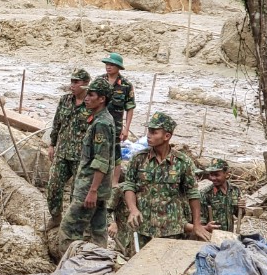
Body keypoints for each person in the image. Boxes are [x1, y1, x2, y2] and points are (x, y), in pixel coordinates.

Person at [121, 112, 208, 247]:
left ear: (167, 136)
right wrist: (133, 209)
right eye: (149, 131)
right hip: (143, 227)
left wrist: (197, 225)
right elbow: (129, 186)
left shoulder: (182, 162)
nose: (149, 135)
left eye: (154, 132)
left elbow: (193, 193)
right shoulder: (138, 159)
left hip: (171, 229)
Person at [60, 77, 116, 246]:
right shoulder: (101, 119)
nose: (86, 98)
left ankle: (69, 268)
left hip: (89, 187)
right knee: (98, 229)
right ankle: (102, 265)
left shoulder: (102, 124)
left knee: (69, 230)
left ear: (102, 99)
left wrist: (92, 190)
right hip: (97, 187)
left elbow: (101, 160)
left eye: (91, 94)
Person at [46, 69, 91, 230]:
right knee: (53, 188)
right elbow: (56, 123)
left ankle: (72, 225)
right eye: (71, 81)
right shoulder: (65, 100)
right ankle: (56, 217)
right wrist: (52, 144)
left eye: (76, 82)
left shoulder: (91, 104)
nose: (72, 85)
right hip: (62, 153)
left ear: (86, 84)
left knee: (76, 194)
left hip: (81, 156)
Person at [100, 52, 135, 185]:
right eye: (107, 64)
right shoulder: (99, 81)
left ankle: (114, 183)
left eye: (111, 65)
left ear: (118, 67)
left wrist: (126, 128)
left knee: (115, 154)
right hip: (99, 123)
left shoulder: (126, 85)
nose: (108, 67)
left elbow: (130, 107)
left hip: (116, 125)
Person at [199, 159, 244, 232]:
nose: (213, 178)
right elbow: (200, 220)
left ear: (226, 174)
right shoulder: (205, 193)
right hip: (212, 236)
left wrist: (241, 207)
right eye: (211, 174)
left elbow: (239, 215)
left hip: (228, 235)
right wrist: (206, 227)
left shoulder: (235, 190)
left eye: (216, 175)